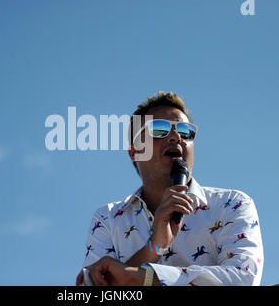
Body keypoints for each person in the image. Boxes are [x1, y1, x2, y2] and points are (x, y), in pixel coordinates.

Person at [75, 91, 264, 286]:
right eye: (158, 129)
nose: (175, 137)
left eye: (184, 131)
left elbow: (244, 278)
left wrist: (146, 278)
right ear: (134, 152)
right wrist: (153, 248)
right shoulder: (108, 219)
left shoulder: (230, 204)